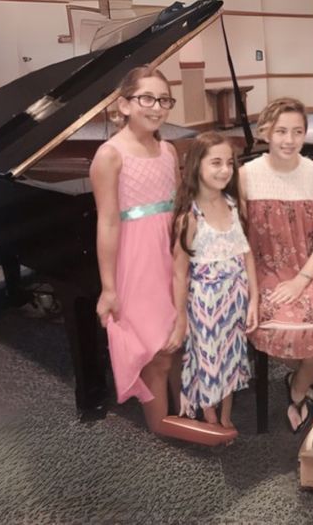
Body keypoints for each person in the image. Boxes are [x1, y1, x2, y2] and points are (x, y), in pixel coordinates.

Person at [239, 98, 313, 433]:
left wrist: (302, 280)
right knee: (271, 323)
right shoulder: (246, 175)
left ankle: (299, 384)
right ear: (266, 131)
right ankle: (304, 374)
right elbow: (241, 236)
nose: (289, 139)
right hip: (265, 270)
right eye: (281, 131)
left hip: (310, 267)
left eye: (297, 132)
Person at [89, 65, 183, 433]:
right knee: (154, 349)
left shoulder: (169, 150)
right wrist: (109, 287)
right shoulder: (110, 155)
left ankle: (183, 411)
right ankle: (161, 425)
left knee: (178, 336)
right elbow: (108, 222)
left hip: (170, 254)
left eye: (164, 100)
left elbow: (177, 208)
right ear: (124, 105)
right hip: (137, 260)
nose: (156, 107)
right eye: (146, 98)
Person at [171, 132, 256, 432]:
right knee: (209, 359)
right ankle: (209, 416)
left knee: (232, 356)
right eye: (216, 163)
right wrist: (181, 317)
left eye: (229, 163)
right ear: (197, 166)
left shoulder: (234, 206)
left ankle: (226, 414)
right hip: (205, 303)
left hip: (237, 296)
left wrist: (254, 300)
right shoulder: (190, 217)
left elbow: (247, 255)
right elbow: (179, 272)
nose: (224, 170)